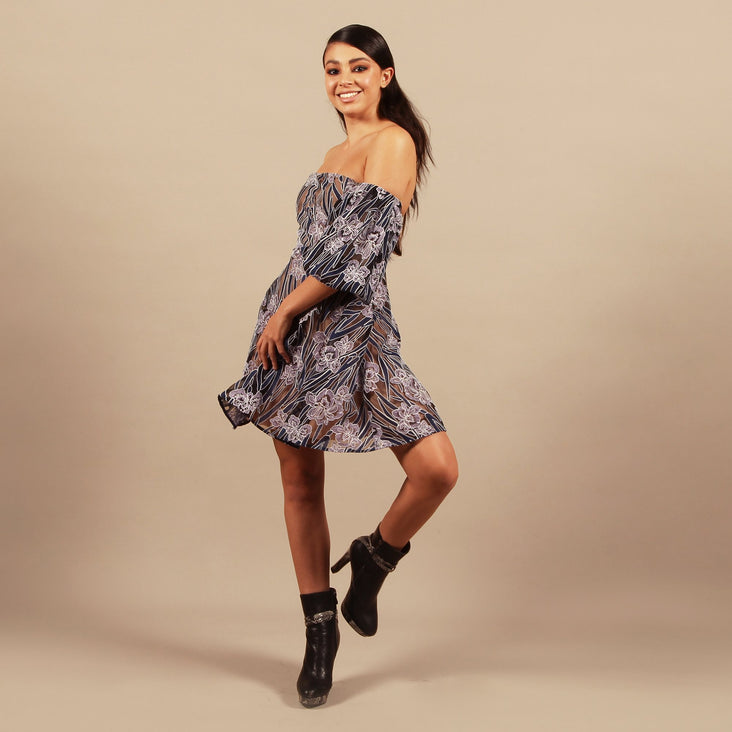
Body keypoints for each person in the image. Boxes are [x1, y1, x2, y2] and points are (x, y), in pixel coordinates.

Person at [217, 24, 458, 707]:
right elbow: (314, 246)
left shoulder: (394, 141)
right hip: (295, 323)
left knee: (436, 469)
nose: (343, 79)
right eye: (331, 69)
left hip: (351, 325)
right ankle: (319, 635)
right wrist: (283, 314)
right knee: (300, 481)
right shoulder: (332, 152)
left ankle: (375, 558)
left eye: (357, 67)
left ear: (385, 75)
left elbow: (358, 252)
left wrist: (285, 312)